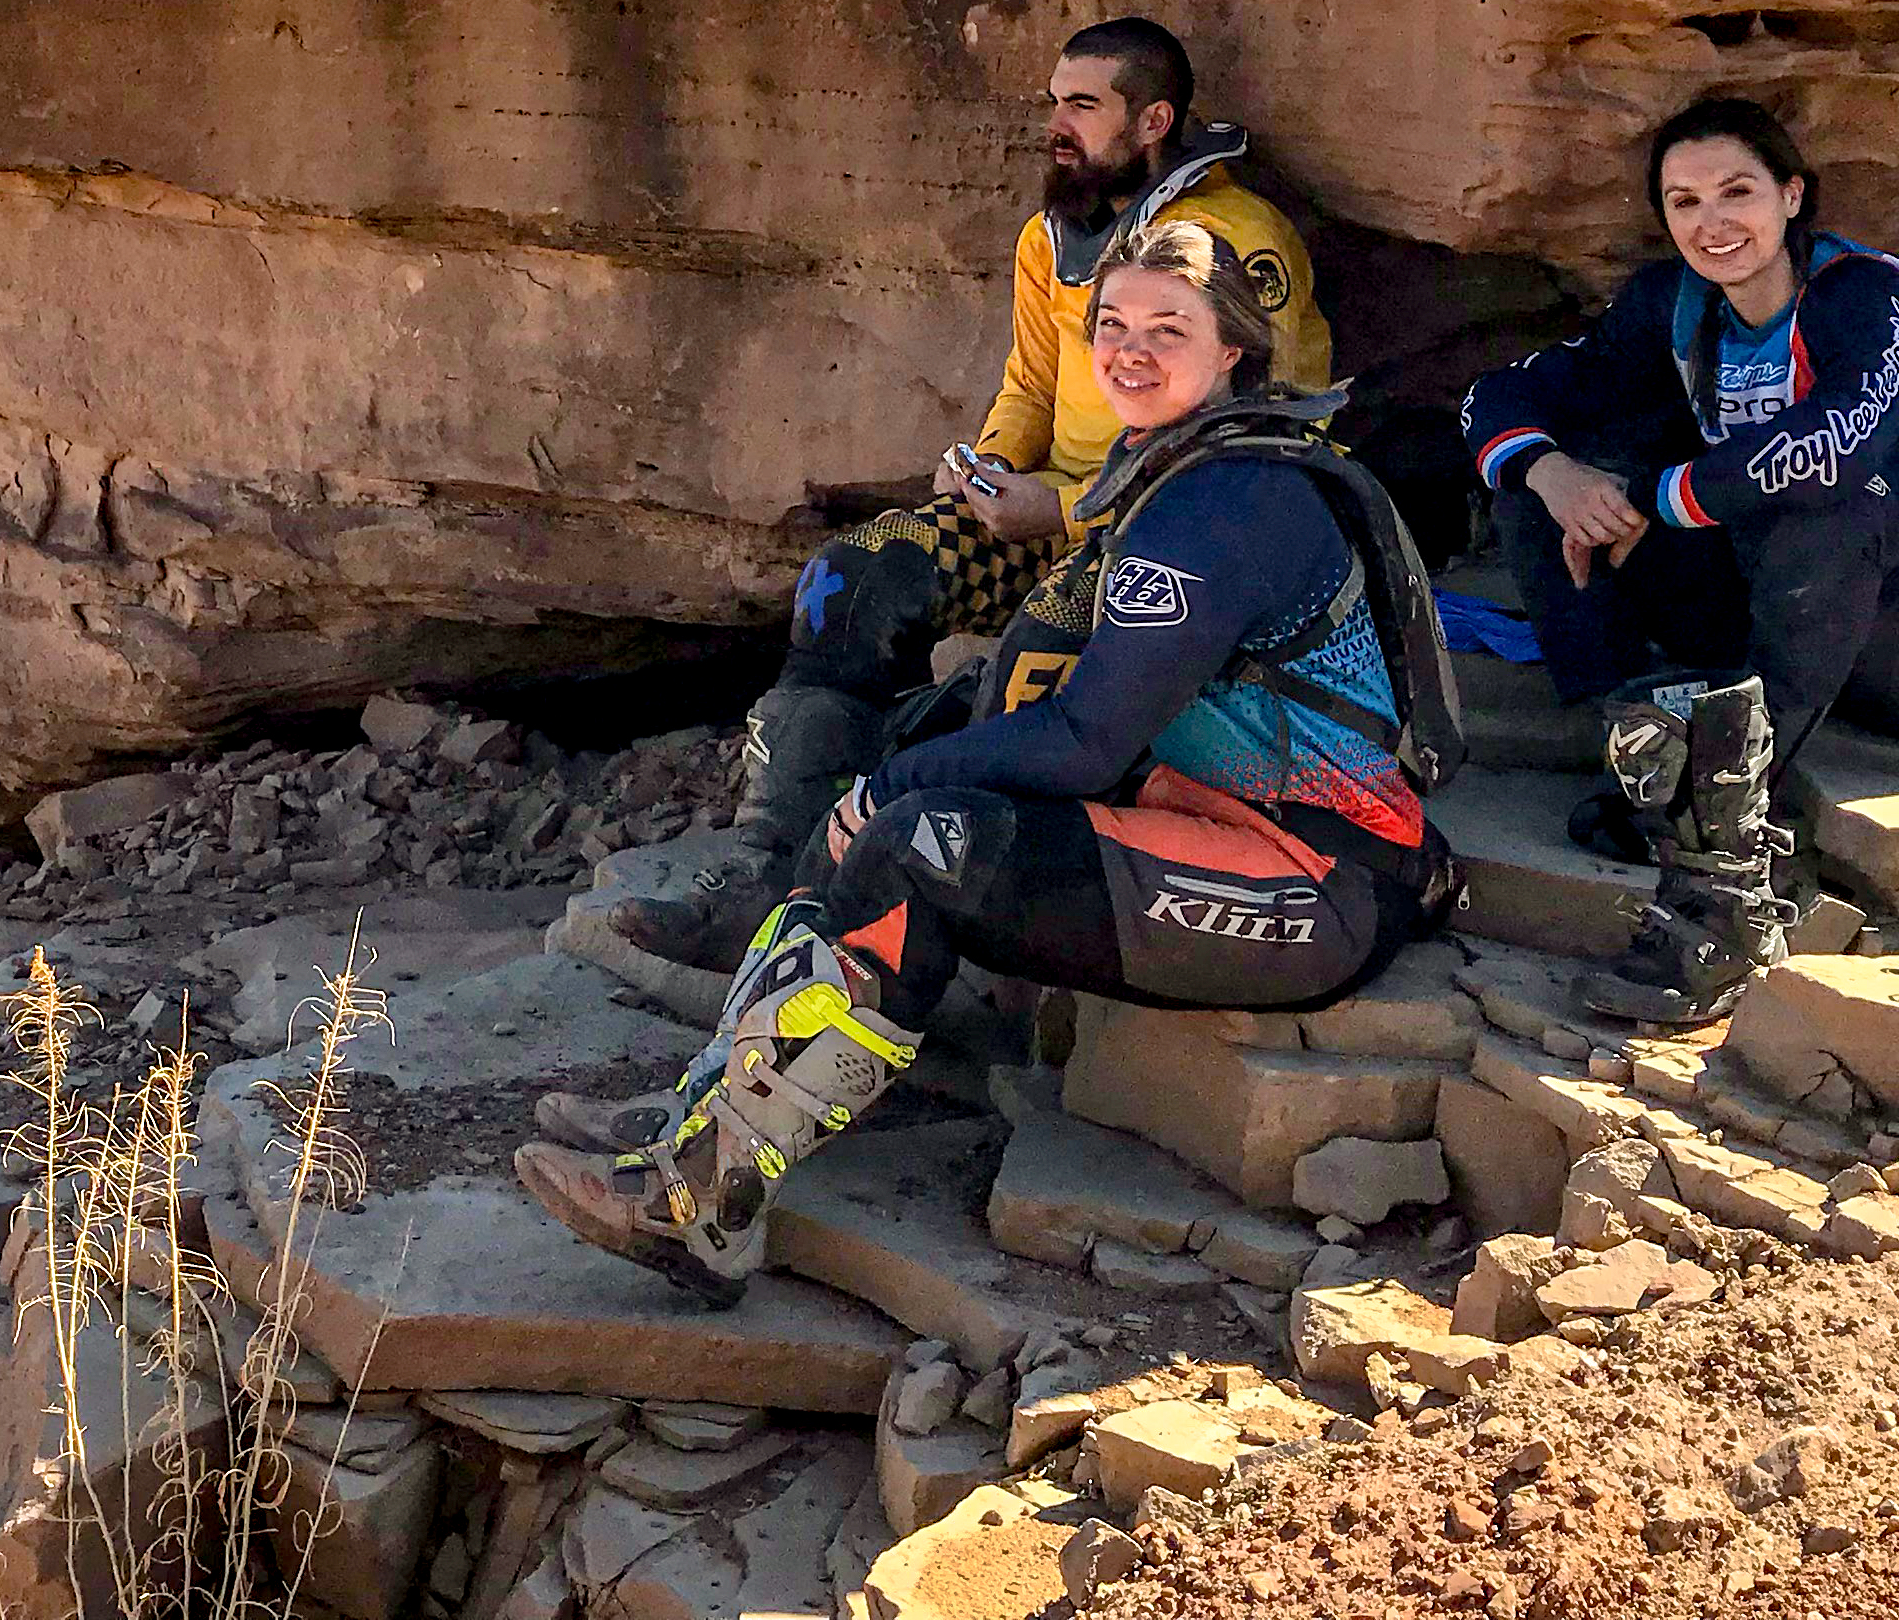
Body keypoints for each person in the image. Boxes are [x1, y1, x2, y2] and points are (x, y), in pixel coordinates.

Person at [517, 219, 1459, 1304]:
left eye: (1168, 329)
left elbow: (1086, 741)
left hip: (1318, 880)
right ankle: (710, 1115)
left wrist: (887, 785)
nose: (1130, 351)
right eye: (1112, 325)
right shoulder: (1185, 468)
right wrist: (908, 761)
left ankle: (704, 1199)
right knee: (912, 769)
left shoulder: (1230, 501)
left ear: (1233, 351)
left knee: (921, 836)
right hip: (1215, 816)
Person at [604, 18, 1331, 975]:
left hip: (1156, 531)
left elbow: (1277, 429)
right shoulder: (1052, 236)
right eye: (1053, 102)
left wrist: (1064, 512)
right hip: (1045, 514)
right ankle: (761, 869)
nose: (1056, 125)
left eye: (1083, 105)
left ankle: (880, 894)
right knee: (848, 582)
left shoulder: (1238, 242)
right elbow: (1030, 383)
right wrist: (986, 470)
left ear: (1153, 120)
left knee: (1018, 676)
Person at [1454, 95, 1899, 1025]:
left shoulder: (1874, 299)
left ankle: (1730, 807)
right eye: (1684, 202)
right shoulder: (1673, 303)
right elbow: (1499, 395)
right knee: (1543, 485)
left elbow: (1829, 449)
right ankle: (1630, 748)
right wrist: (1555, 474)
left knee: (1842, 501)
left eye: (1738, 193)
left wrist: (1656, 497)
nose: (1712, 223)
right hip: (1775, 606)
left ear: (1792, 195)